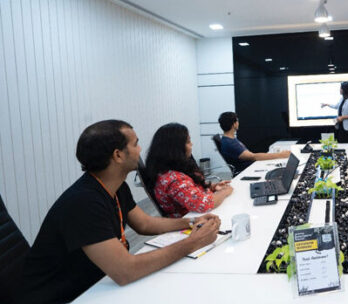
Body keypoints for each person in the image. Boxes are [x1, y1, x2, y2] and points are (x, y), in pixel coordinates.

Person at [18, 120, 221, 304]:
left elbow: (145, 224)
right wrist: (193, 242)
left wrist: (191, 223)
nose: (140, 149)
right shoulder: (83, 202)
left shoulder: (116, 187)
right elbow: (126, 270)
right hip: (65, 296)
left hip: (97, 284)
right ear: (118, 155)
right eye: (135, 144)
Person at [144, 123, 233, 218]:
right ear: (175, 149)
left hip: (197, 215)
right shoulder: (173, 180)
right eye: (188, 141)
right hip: (190, 222)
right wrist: (224, 192)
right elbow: (204, 204)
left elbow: (190, 188)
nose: (192, 144)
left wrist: (212, 187)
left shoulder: (176, 168)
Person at [218, 112, 290, 173]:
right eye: (237, 121)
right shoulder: (230, 143)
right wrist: (281, 155)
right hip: (248, 171)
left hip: (250, 167)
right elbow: (253, 157)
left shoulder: (229, 139)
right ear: (234, 124)